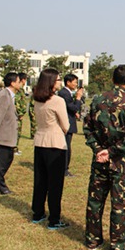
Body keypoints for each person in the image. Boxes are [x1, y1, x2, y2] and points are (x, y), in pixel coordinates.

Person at [83, 64, 125, 250]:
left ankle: (93, 240)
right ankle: (119, 244)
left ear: (112, 79)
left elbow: (87, 128)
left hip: (100, 159)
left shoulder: (97, 100)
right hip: (121, 162)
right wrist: (111, 152)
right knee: (120, 202)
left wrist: (99, 149)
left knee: (95, 200)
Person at [31, 69, 71, 229]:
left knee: (40, 181)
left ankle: (38, 213)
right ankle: (54, 218)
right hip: (55, 143)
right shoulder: (58, 100)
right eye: (58, 79)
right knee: (55, 184)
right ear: (51, 82)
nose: (60, 82)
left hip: (40, 141)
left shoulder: (36, 99)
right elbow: (66, 125)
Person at [0, 72, 21, 195]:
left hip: (8, 134)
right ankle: (0, 186)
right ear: (12, 83)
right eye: (18, 81)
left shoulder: (10, 95)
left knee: (7, 159)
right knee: (2, 161)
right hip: (3, 135)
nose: (20, 83)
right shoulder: (4, 96)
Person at [57, 73, 85, 177]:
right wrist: (78, 98)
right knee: (66, 147)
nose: (76, 84)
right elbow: (73, 107)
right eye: (75, 82)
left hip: (68, 121)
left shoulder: (66, 93)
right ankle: (64, 169)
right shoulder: (64, 93)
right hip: (67, 124)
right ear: (68, 82)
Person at [14, 72, 28, 155]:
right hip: (18, 115)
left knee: (18, 132)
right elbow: (17, 102)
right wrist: (20, 113)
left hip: (20, 114)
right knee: (15, 132)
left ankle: (16, 148)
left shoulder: (21, 89)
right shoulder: (18, 89)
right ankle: (14, 149)